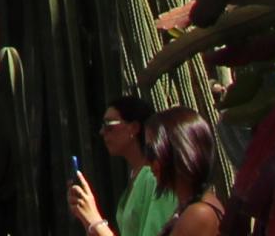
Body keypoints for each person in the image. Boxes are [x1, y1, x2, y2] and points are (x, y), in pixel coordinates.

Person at [68, 94, 171, 236]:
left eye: (109, 125)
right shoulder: (136, 177)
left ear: (134, 128)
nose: (102, 132)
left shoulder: (152, 177)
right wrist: (86, 217)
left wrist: (95, 220)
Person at [145, 109, 230, 236]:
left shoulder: (199, 214)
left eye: (152, 152)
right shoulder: (189, 209)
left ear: (177, 153)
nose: (147, 162)